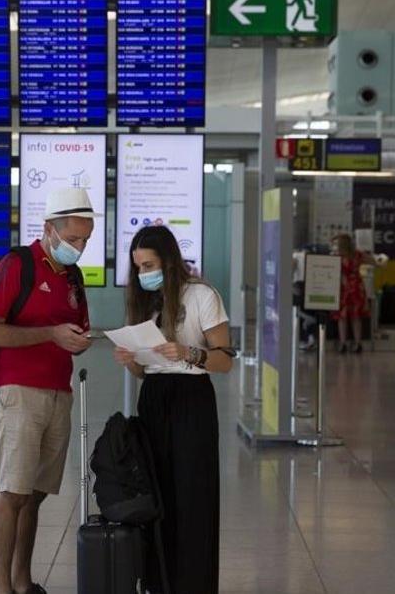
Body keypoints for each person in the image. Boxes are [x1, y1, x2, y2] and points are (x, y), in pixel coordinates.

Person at [0, 187, 95, 594]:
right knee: (12, 492)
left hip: (58, 391)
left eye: (86, 239)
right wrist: (50, 333)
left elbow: (74, 327)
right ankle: (1, 588)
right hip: (18, 392)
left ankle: (22, 581)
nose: (79, 247)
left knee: (35, 495)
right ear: (49, 229)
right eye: (73, 239)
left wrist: (80, 339)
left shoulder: (73, 275)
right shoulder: (17, 265)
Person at [112, 225, 233, 594]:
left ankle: (192, 582)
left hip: (191, 398)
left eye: (149, 264)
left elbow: (225, 359)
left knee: (191, 491)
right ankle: (157, 580)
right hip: (154, 397)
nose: (143, 273)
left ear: (168, 261)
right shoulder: (143, 301)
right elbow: (144, 369)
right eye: (138, 267)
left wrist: (188, 352)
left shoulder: (201, 295)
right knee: (156, 489)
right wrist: (130, 360)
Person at [332, 233, 375, 353]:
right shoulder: (357, 255)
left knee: (342, 317)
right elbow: (373, 261)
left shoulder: (336, 256)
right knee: (356, 317)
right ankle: (358, 343)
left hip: (343, 287)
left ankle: (343, 343)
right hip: (356, 287)